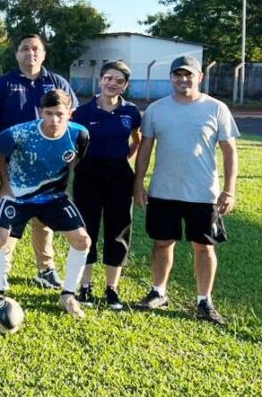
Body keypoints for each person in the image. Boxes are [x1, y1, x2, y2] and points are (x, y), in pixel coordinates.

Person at [132, 55, 239, 326]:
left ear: (200, 77)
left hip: (203, 194)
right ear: (171, 78)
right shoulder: (156, 110)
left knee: (204, 247)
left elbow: (229, 152)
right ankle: (158, 292)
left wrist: (229, 190)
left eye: (189, 74)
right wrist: (138, 183)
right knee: (162, 242)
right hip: (164, 191)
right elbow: (145, 148)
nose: (183, 79)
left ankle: (204, 300)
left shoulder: (216, 109)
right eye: (178, 75)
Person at [0, 33, 79, 290]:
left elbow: (70, 120)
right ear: (17, 54)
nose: (30, 53)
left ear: (43, 54)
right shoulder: (4, 83)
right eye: (25, 48)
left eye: (36, 48)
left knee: (44, 220)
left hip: (48, 167)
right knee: (11, 216)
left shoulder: (57, 82)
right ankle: (2, 270)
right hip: (13, 166)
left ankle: (45, 269)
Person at [0, 89, 92, 319]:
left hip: (53, 197)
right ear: (40, 112)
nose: (54, 120)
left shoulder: (79, 134)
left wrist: (65, 187)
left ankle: (67, 296)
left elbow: (75, 161)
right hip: (17, 195)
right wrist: (5, 184)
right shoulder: (19, 133)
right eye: (49, 113)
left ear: (70, 114)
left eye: (60, 114)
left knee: (82, 240)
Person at [70, 61, 141, 310]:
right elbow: (73, 144)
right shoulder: (82, 112)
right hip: (88, 174)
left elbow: (137, 140)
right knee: (86, 228)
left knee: (119, 229)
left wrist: (123, 158)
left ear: (125, 85)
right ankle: (85, 287)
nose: (112, 83)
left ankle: (112, 289)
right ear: (100, 80)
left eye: (119, 80)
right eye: (108, 78)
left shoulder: (131, 112)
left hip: (119, 175)